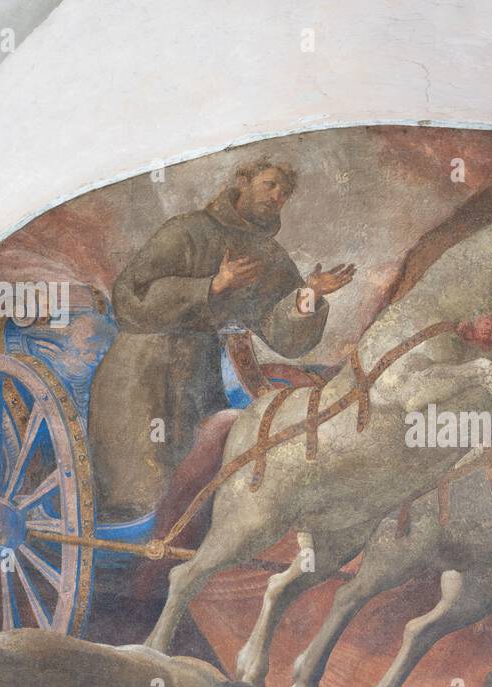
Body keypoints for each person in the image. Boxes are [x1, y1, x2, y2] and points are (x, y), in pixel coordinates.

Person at [88, 158, 356, 516]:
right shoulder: (186, 231)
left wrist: (310, 294)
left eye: (284, 193)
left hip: (201, 377)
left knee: (200, 495)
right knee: (142, 495)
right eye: (270, 185)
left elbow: (281, 332)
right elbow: (130, 297)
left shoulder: (268, 255)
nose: (277, 197)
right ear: (243, 181)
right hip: (144, 372)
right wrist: (212, 286)